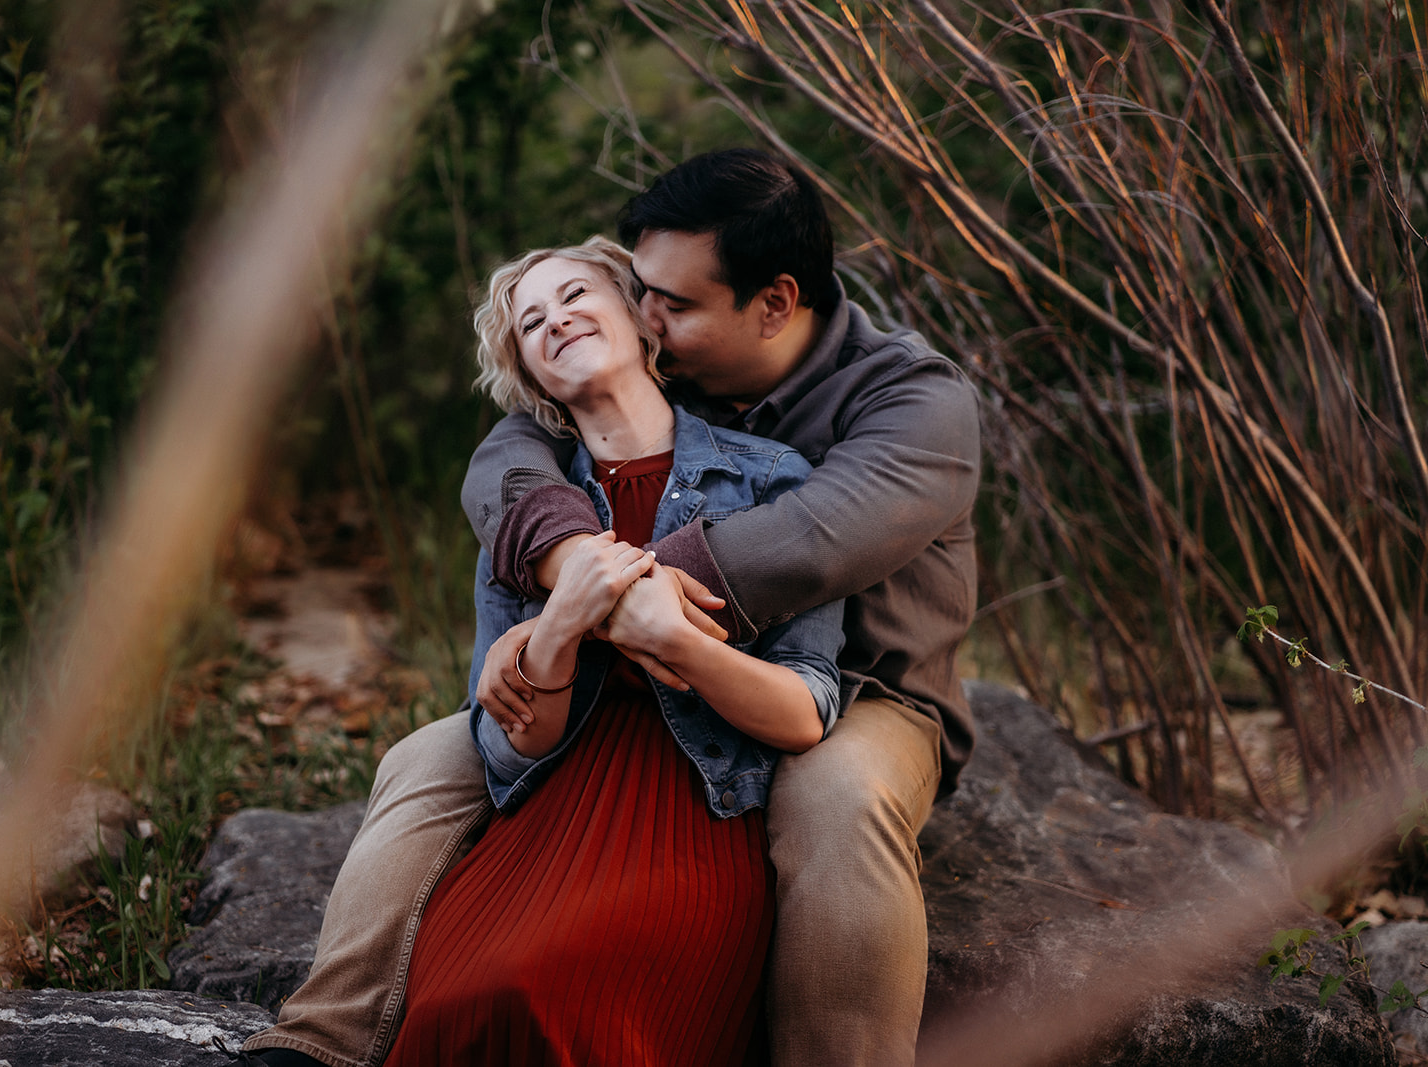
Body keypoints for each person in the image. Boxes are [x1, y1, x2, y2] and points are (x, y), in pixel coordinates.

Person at [241, 148, 980, 1067]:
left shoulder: (913, 401)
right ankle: (322, 1040)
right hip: (618, 685)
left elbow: (812, 543)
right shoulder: (664, 363)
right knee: (428, 756)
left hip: (864, 691)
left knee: (836, 794)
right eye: (640, 289)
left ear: (774, 303)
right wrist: (564, 569)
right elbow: (506, 457)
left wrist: (602, 596)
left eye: (671, 303)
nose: (644, 312)